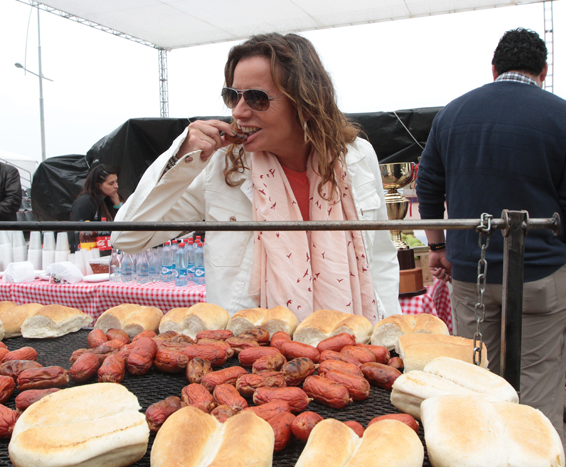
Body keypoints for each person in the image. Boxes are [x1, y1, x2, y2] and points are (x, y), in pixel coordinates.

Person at [112, 32, 400, 321]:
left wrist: (389, 332)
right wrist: (180, 158)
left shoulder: (358, 156)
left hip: (349, 348)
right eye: (232, 96)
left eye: (256, 98)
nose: (238, 112)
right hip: (251, 354)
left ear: (305, 100)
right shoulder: (219, 166)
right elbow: (127, 236)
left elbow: (382, 260)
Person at [416, 28, 566, 438]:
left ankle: (476, 450)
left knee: (477, 378)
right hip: (542, 275)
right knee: (538, 384)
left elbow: (427, 188)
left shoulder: (452, 113)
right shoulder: (564, 115)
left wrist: (437, 247)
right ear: (543, 69)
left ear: (493, 68)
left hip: (472, 276)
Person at [69, 164, 124, 250]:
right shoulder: (84, 203)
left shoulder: (111, 199)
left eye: (116, 182)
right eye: (111, 183)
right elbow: (75, 235)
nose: (116, 186)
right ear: (99, 185)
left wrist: (117, 204)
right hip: (90, 252)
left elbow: (124, 225)